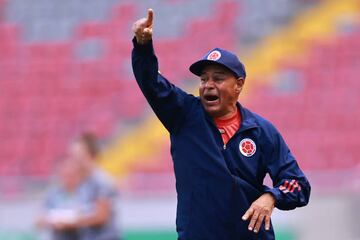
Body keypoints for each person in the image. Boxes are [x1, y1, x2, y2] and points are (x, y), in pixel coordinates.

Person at [131, 9, 311, 240]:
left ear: (239, 84)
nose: (208, 85)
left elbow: (298, 185)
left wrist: (272, 196)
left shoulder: (262, 131)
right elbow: (151, 83)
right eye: (204, 79)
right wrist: (143, 45)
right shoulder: (184, 115)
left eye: (218, 78)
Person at [37, 133, 120, 240]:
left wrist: (70, 222)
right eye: (73, 155)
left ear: (91, 156)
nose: (75, 159)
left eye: (79, 155)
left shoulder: (101, 181)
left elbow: (101, 216)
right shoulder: (81, 181)